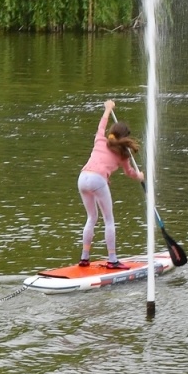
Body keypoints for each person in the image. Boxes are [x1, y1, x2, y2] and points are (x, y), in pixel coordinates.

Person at [78, 99, 143, 268]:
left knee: (91, 217)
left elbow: (102, 124)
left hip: (82, 178)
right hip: (97, 180)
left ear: (112, 132)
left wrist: (108, 109)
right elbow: (130, 173)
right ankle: (112, 260)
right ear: (125, 137)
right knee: (108, 220)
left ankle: (84, 258)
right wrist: (140, 176)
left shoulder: (100, 139)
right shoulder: (123, 154)